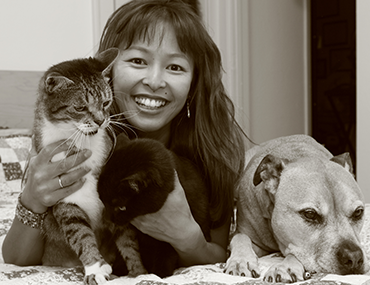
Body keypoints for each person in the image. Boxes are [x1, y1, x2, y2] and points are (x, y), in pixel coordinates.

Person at [2, 0, 247, 270]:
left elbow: (218, 254)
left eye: (175, 67)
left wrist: (187, 237)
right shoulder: (71, 138)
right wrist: (32, 199)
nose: (155, 81)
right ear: (109, 71)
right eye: (138, 61)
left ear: (194, 82)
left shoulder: (211, 152)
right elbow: (17, 260)